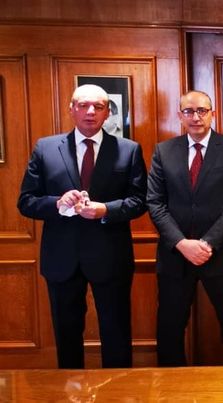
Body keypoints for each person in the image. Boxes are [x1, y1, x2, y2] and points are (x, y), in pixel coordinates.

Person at [17, 84, 147, 368]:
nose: (90, 112)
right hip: (62, 258)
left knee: (117, 334)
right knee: (66, 336)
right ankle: (69, 388)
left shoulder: (128, 150)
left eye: (98, 106)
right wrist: (57, 203)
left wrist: (106, 209)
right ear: (71, 109)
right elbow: (26, 202)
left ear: (107, 112)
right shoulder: (46, 148)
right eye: (83, 105)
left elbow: (140, 201)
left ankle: (118, 390)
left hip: (110, 257)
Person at [146, 90, 223, 366]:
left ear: (212, 114)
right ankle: (171, 386)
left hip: (222, 255)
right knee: (169, 329)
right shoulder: (164, 151)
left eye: (202, 111)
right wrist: (182, 243)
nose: (196, 117)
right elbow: (155, 202)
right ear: (179, 116)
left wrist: (206, 244)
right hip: (175, 256)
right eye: (189, 111)